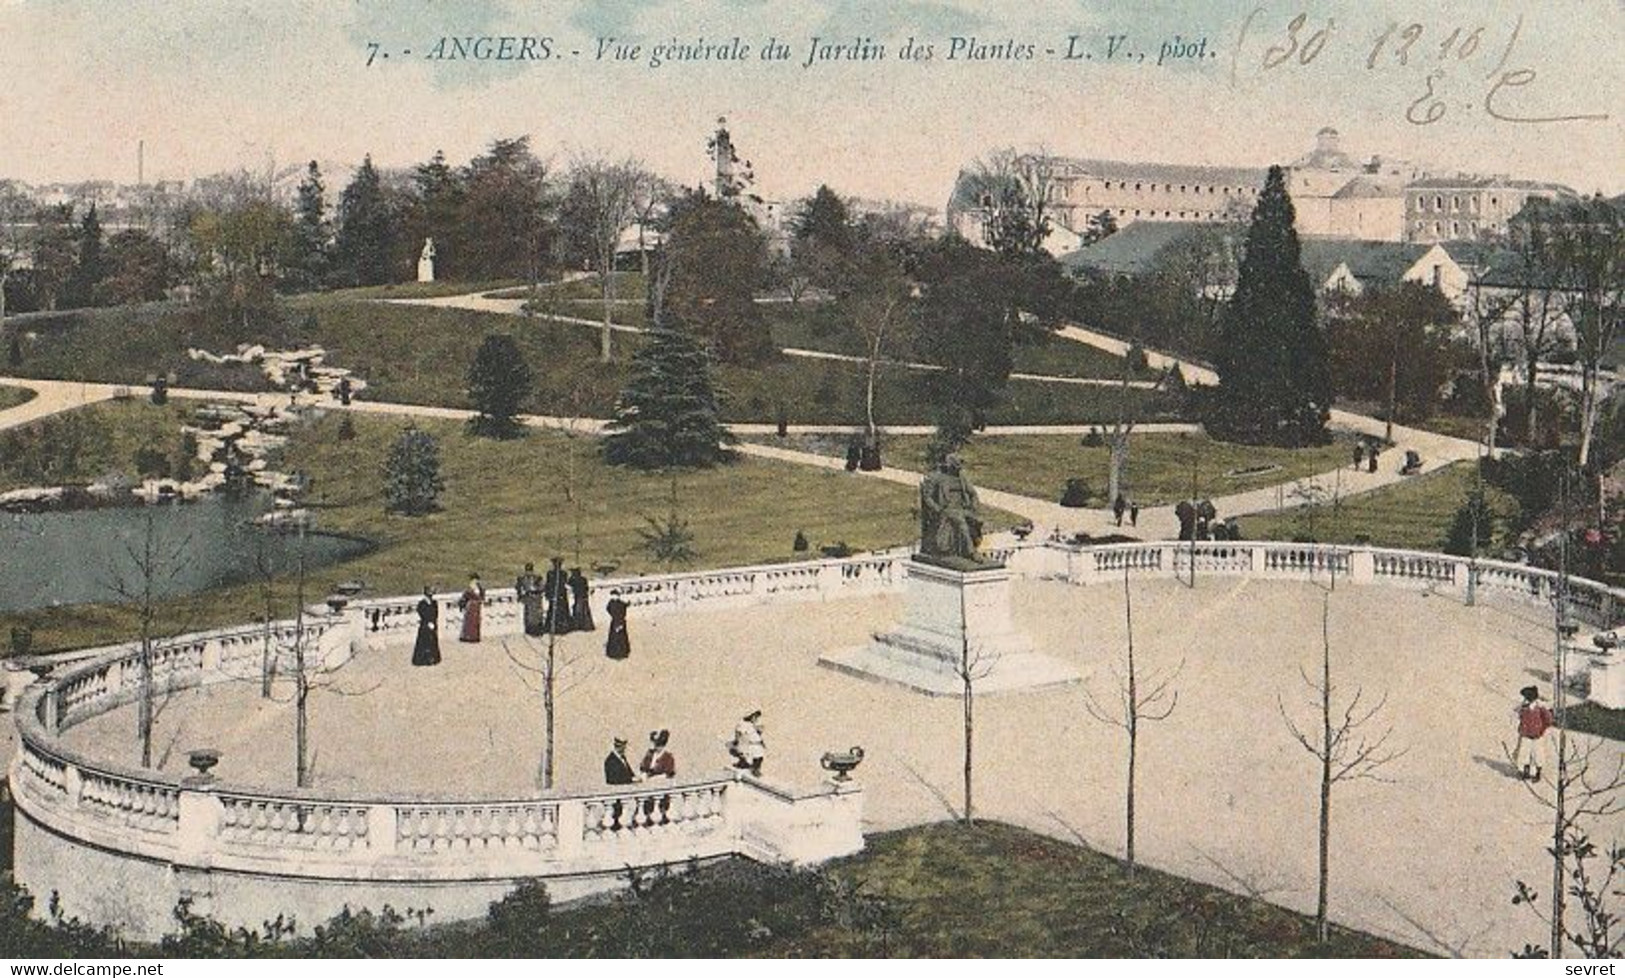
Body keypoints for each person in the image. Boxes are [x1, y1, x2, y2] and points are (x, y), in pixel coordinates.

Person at [1514, 685, 1554, 782]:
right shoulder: (1524, 708)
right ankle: (1526, 772)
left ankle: (1538, 773)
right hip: (1526, 735)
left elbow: (1548, 720)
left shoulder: (1540, 708)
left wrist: (1542, 729)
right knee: (1525, 753)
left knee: (1538, 755)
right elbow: (1517, 714)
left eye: (1527, 698)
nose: (1526, 700)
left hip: (1537, 736)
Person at [640, 729, 677, 823]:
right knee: (647, 806)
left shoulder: (668, 757)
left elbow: (669, 773)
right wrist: (644, 775)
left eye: (659, 745)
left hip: (661, 786)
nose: (657, 747)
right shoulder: (650, 754)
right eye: (656, 744)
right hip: (648, 786)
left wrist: (656, 778)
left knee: (661, 807)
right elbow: (644, 766)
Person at [412, 584, 441, 666]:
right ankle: (423, 659)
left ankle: (433, 658)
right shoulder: (422, 603)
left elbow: (435, 613)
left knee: (433, 642)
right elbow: (421, 613)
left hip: (433, 624)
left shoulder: (434, 603)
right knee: (424, 642)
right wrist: (428, 622)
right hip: (425, 625)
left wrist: (433, 622)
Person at [730, 710, 765, 776]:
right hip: (748, 745)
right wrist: (737, 741)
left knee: (759, 755)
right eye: (754, 716)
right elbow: (738, 734)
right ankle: (745, 764)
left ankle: (756, 768)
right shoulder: (743, 724)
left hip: (755, 744)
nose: (755, 718)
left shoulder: (754, 725)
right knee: (749, 754)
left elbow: (758, 734)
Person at [544, 556, 573, 635]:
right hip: (559, 593)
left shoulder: (552, 573)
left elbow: (548, 584)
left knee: (556, 610)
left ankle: (556, 626)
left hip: (557, 593)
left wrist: (548, 593)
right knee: (558, 610)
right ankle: (560, 626)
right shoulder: (562, 573)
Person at [515, 562, 543, 637]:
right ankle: (529, 629)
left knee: (536, 614)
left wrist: (537, 590)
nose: (528, 573)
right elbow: (518, 587)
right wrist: (520, 595)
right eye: (527, 571)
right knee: (528, 614)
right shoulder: (522, 578)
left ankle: (537, 629)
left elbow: (541, 587)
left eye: (530, 570)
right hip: (528, 598)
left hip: (536, 597)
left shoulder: (537, 577)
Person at [457, 574, 485, 643]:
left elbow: (482, 596)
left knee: (476, 622)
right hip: (471, 606)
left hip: (477, 606)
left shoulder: (479, 588)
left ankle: (475, 636)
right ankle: (468, 636)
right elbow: (465, 596)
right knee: (470, 622)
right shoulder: (470, 588)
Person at [604, 594, 631, 660]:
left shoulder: (612, 603)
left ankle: (614, 651)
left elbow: (608, 609)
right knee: (621, 636)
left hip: (615, 621)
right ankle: (622, 651)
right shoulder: (621, 604)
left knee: (614, 636)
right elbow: (625, 609)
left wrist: (613, 615)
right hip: (621, 621)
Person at [568, 567, 594, 632]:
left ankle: (580, 625)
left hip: (579, 596)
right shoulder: (583, 579)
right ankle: (585, 624)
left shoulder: (573, 579)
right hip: (583, 596)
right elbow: (586, 588)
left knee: (579, 610)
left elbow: (569, 584)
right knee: (584, 609)